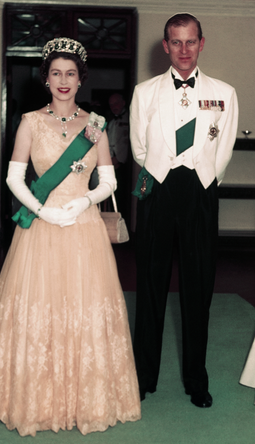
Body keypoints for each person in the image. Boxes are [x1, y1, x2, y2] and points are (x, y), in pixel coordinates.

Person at [0, 37, 140, 436]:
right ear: (46, 79)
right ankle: (37, 400)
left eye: (71, 74)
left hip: (83, 229)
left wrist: (84, 203)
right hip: (42, 230)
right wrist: (42, 210)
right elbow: (13, 177)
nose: (64, 81)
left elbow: (109, 181)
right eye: (56, 73)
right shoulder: (29, 122)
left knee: (85, 309)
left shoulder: (95, 126)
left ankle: (85, 400)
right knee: (39, 308)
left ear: (81, 80)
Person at [130, 13, 238, 408]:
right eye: (176, 42)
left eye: (190, 41)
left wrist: (203, 181)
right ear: (165, 46)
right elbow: (139, 147)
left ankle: (196, 378)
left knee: (198, 289)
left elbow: (223, 148)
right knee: (150, 287)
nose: (184, 50)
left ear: (202, 43)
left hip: (200, 192)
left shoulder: (224, 93)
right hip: (158, 190)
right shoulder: (144, 91)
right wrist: (160, 174)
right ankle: (144, 376)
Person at [107, 93, 129, 215]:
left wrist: (120, 159)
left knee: (124, 198)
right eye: (111, 104)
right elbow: (110, 142)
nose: (113, 106)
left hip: (125, 165)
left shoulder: (130, 118)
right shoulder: (110, 121)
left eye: (116, 103)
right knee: (113, 196)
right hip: (112, 163)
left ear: (123, 103)